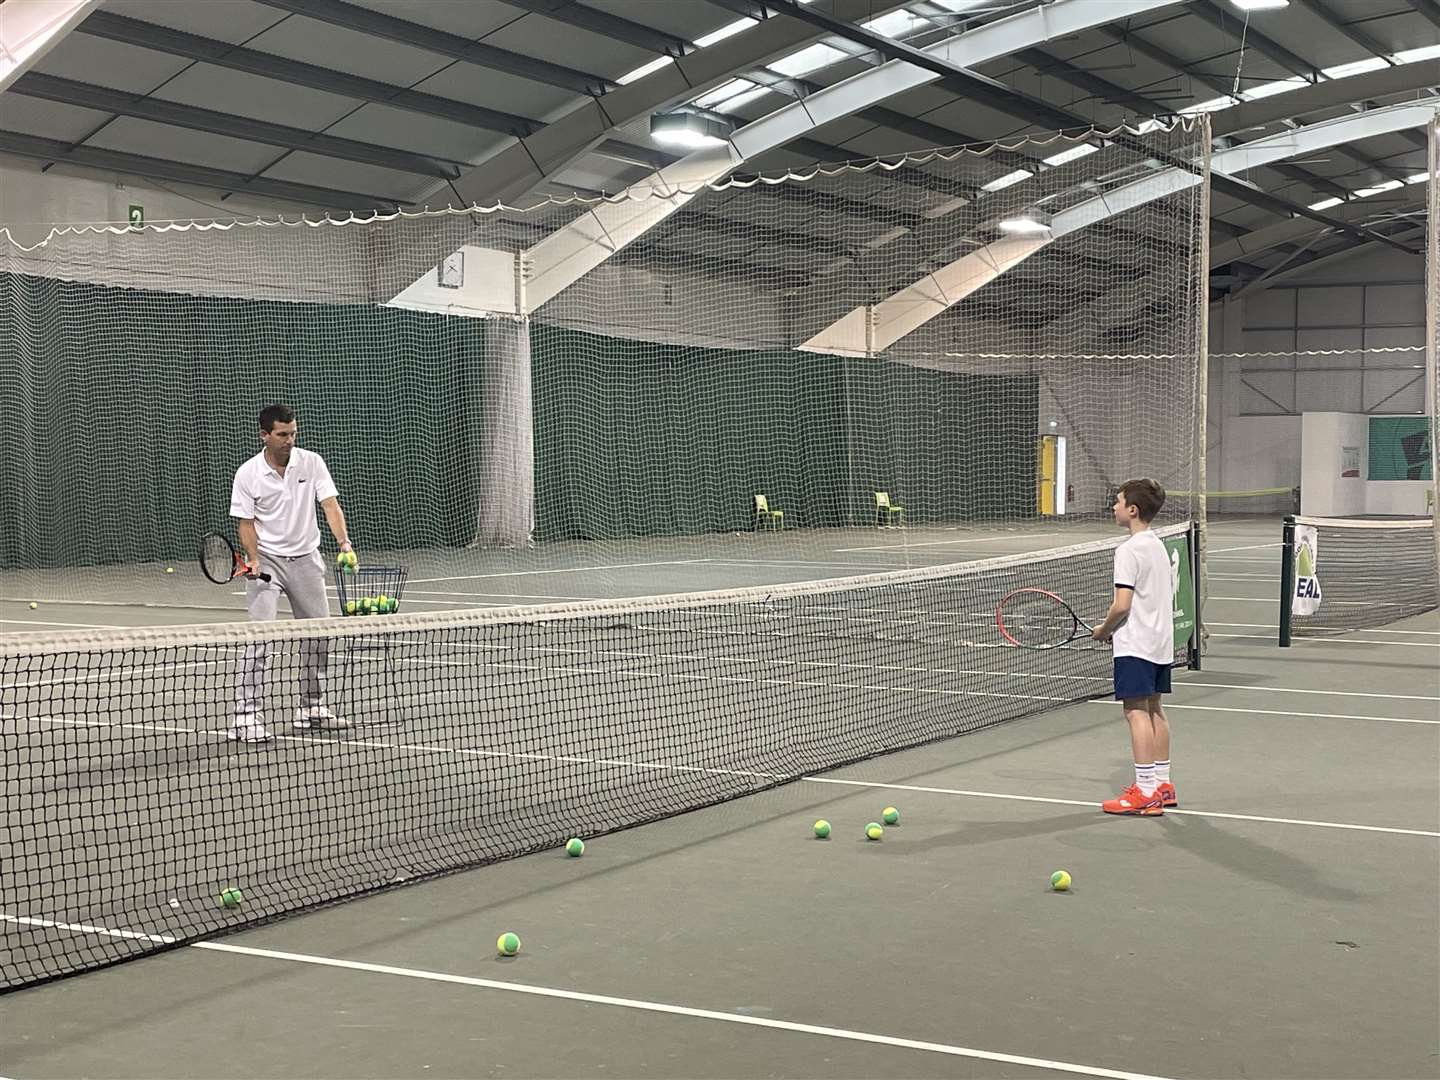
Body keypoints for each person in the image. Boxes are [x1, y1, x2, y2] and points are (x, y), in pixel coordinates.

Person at [229, 403, 354, 742]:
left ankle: (311, 707)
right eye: (282, 435)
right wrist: (253, 558)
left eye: (293, 433)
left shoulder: (311, 462)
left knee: (319, 635)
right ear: (264, 435)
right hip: (267, 560)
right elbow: (246, 522)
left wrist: (343, 542)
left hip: (306, 559)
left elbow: (330, 504)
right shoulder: (248, 473)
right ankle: (245, 717)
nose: (289, 440)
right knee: (260, 639)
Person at [1090, 478, 1176, 816]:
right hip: (1159, 643)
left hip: (1136, 644)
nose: (1114, 507)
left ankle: (1144, 792)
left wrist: (1104, 629)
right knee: (1155, 710)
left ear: (1132, 510)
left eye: (1118, 501)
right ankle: (1162, 785)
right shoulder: (1159, 546)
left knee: (1135, 712)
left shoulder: (1127, 550)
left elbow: (1122, 604)